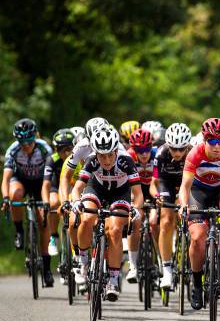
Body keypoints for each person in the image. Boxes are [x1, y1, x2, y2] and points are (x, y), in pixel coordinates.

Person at [178, 118, 220, 309]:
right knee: (198, 236)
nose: (217, 147)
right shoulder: (195, 153)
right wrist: (183, 205)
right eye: (213, 142)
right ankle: (197, 283)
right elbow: (185, 187)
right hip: (199, 192)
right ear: (205, 140)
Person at [70, 127, 143, 300]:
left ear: (116, 150)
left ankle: (112, 278)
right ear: (95, 153)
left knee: (116, 230)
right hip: (96, 189)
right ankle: (83, 260)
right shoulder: (91, 161)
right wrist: (75, 202)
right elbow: (77, 188)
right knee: (87, 218)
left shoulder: (126, 161)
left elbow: (138, 193)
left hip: (120, 193)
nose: (107, 160)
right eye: (102, 155)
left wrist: (136, 208)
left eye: (110, 154)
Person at [2, 118, 54, 286]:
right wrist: (5, 199)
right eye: (22, 142)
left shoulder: (44, 149)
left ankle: (46, 268)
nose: (26, 145)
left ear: (35, 137)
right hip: (21, 180)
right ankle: (19, 232)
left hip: (41, 182)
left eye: (29, 141)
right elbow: (6, 179)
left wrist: (46, 201)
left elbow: (49, 178)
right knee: (15, 193)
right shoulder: (13, 150)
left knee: (43, 221)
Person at [150, 123, 192, 289]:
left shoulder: (194, 154)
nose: (177, 153)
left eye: (182, 149)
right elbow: (154, 184)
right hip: (166, 184)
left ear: (187, 146)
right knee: (166, 221)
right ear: (168, 145)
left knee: (190, 217)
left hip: (188, 184)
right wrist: (158, 196)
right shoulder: (160, 154)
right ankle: (166, 269)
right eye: (174, 149)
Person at [125, 128, 158, 283]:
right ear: (133, 149)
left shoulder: (157, 155)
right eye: (139, 150)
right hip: (135, 191)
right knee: (136, 220)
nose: (144, 154)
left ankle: (159, 258)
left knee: (154, 221)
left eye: (147, 149)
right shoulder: (128, 157)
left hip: (153, 191)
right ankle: (132, 265)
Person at [42, 129, 75, 259]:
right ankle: (54, 237)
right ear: (56, 149)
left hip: (72, 187)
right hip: (56, 187)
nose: (66, 152)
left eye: (69, 148)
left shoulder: (77, 157)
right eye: (62, 149)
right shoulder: (52, 159)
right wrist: (45, 202)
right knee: (54, 202)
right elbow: (46, 185)